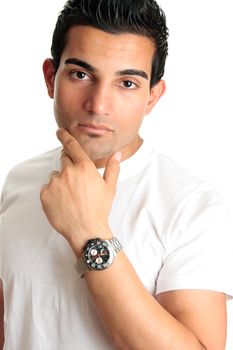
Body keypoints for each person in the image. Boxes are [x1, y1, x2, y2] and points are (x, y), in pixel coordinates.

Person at [0, 0, 232, 349]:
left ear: (152, 97)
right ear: (51, 78)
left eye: (126, 83)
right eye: (81, 74)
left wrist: (89, 232)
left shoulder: (191, 204)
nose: (98, 104)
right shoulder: (20, 180)